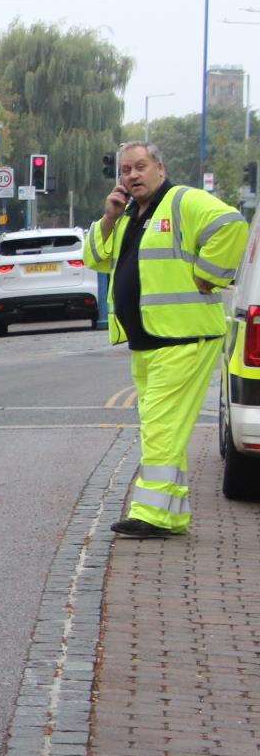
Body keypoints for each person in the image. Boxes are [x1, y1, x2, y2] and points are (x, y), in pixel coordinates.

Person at [85, 141, 249, 538]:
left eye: (140, 166)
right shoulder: (129, 215)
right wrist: (109, 217)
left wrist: (211, 274)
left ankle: (151, 515)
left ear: (160, 166)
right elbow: (96, 258)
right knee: (164, 427)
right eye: (125, 170)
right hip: (150, 340)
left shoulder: (182, 201)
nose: (132, 175)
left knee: (158, 426)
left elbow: (232, 225)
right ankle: (172, 513)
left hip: (183, 337)